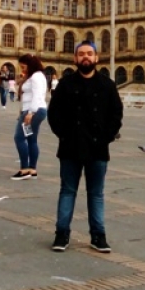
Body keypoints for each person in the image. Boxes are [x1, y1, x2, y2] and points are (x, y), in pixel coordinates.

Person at [46, 41, 123, 254]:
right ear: (75, 59)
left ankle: (98, 236)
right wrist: (64, 135)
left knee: (96, 193)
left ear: (97, 58)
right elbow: (54, 114)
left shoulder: (108, 85)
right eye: (81, 54)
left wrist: (105, 138)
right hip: (70, 147)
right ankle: (62, 234)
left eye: (89, 54)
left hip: (97, 148)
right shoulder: (65, 84)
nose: (85, 57)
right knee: (67, 191)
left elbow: (116, 115)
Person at [11, 54, 48, 181]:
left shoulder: (36, 76)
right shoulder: (35, 76)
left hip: (33, 111)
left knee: (19, 137)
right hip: (35, 110)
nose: (22, 69)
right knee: (31, 139)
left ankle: (24, 169)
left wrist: (30, 113)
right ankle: (32, 169)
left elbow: (37, 95)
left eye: (23, 66)